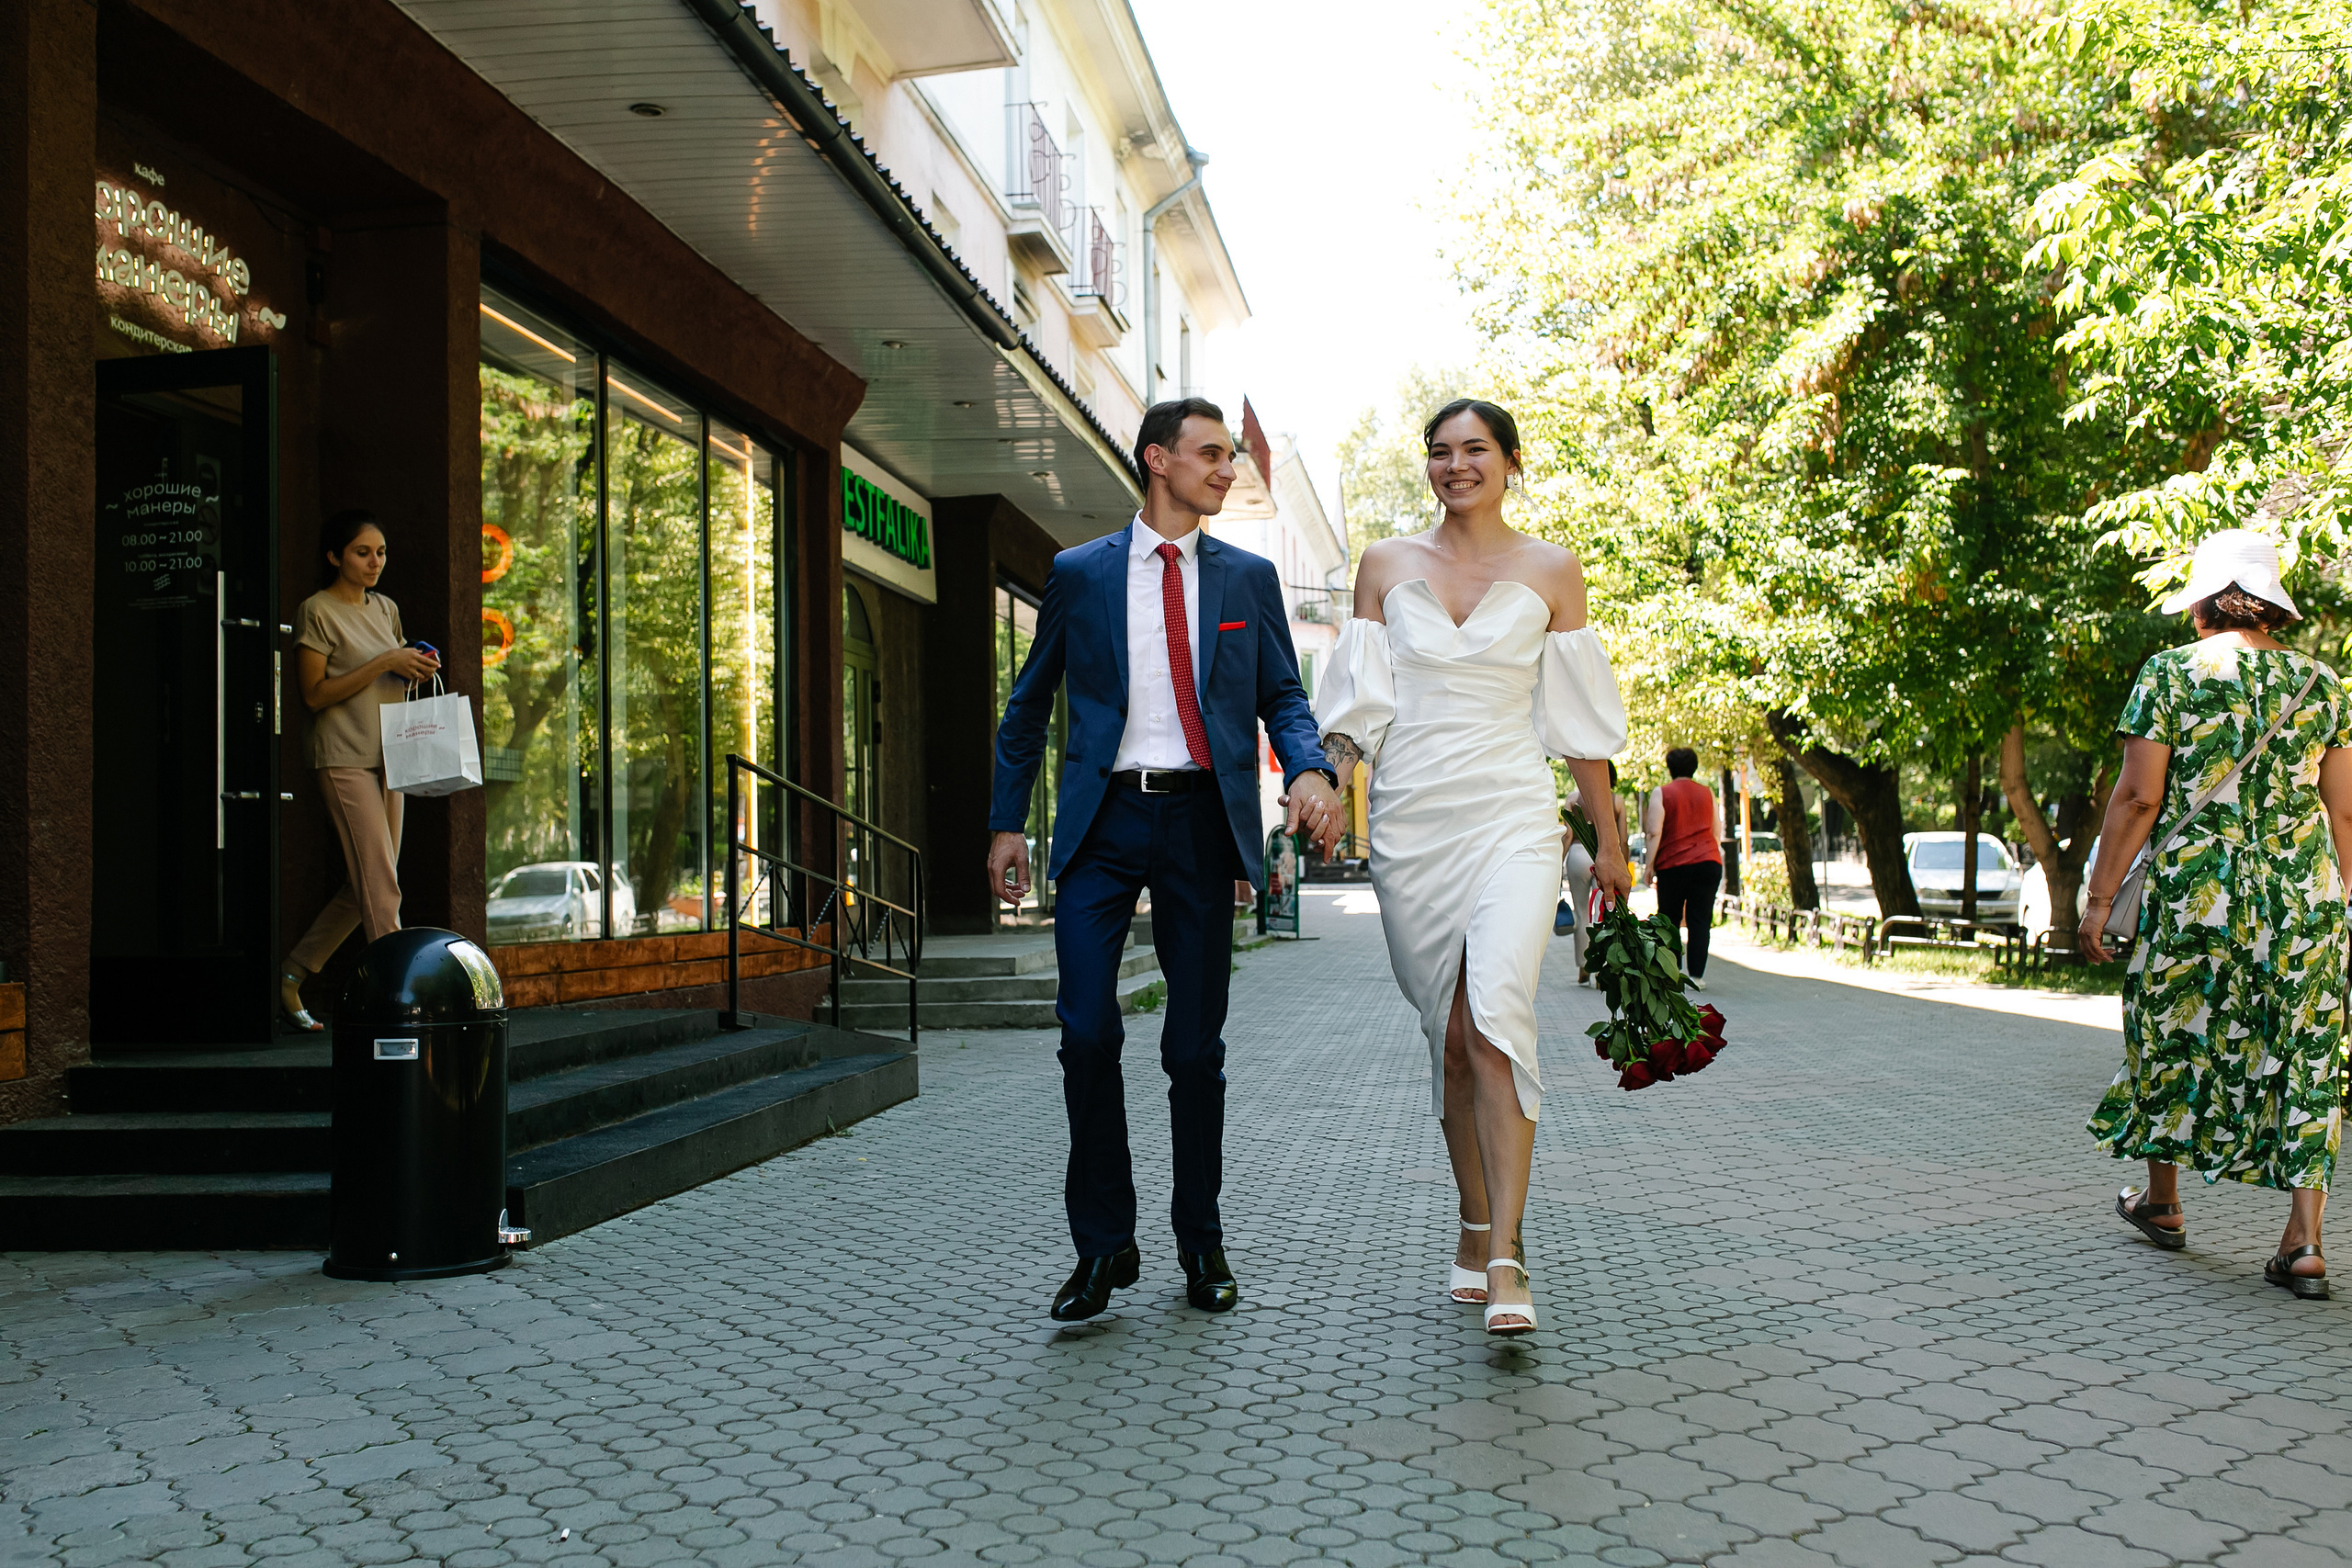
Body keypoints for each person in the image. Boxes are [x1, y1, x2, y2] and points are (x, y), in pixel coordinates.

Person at [989, 398, 1345, 1323]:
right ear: (1158, 460)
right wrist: (1005, 826)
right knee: (1087, 1034)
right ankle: (1104, 1247)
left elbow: (1283, 696)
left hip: (1198, 825)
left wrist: (1308, 769)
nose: (1227, 470)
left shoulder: (1247, 579)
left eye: (1229, 456)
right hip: (1102, 826)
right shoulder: (1079, 574)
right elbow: (1027, 708)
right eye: (1210, 455)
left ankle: (1201, 1237)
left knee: (1194, 1050)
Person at [1314, 399, 1629, 1337]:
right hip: (1412, 823)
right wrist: (1330, 784)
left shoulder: (1551, 570)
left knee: (1496, 1019)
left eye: (1475, 451)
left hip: (1511, 818)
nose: (1456, 467)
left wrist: (1607, 840)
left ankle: (1507, 1254)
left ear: (1511, 462)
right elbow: (1358, 705)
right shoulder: (1384, 565)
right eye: (1440, 453)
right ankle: (1470, 1217)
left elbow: (1576, 725)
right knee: (1449, 1040)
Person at [2080, 529, 2352, 1301]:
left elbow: (2139, 797)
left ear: (2201, 598)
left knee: (2173, 1024)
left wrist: (2100, 900)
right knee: (2305, 1050)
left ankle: (2163, 1200)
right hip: (2305, 898)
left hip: (2203, 891)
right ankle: (2305, 1244)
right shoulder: (2324, 685)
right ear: (2271, 603)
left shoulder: (2170, 673)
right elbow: (2346, 813)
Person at [277, 511, 440, 1031]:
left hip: (390, 753)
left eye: (381, 553)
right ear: (334, 556)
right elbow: (313, 694)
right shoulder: (317, 611)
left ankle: (292, 973)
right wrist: (384, 662)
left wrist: (415, 665)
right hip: (342, 754)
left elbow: (389, 674)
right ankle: (397, 996)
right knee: (380, 879)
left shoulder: (386, 608)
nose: (375, 562)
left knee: (372, 879)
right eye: (362, 552)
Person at [1645, 749, 1724, 991]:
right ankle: (1697, 976)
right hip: (1708, 863)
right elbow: (1716, 829)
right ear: (1695, 767)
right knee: (1701, 920)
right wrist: (1711, 852)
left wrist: (1649, 865)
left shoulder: (1662, 793)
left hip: (1673, 866)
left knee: (1670, 919)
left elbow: (1654, 832)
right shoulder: (1707, 793)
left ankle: (1673, 972)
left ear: (1670, 769)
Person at [1564, 761, 1626, 986]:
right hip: (1605, 854)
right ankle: (1602, 970)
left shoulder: (1572, 799)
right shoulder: (1616, 801)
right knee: (1602, 914)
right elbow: (1623, 839)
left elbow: (1567, 836)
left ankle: (1583, 967)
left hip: (1578, 854)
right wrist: (1625, 867)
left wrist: (1560, 861)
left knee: (1581, 914)